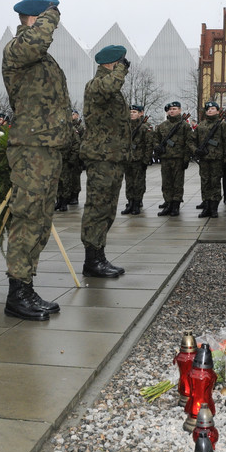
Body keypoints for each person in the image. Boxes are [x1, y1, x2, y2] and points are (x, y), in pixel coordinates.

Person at [1, 0, 70, 320]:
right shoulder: (18, 50)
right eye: (46, 16)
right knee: (28, 218)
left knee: (41, 221)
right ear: (34, 17)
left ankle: (26, 287)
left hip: (47, 148)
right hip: (29, 149)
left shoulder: (42, 59)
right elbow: (38, 39)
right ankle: (17, 293)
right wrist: (51, 14)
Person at [80, 44, 130, 277]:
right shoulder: (97, 85)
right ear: (112, 64)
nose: (125, 69)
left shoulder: (110, 87)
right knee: (97, 208)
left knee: (108, 209)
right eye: (121, 63)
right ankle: (92, 260)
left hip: (112, 157)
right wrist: (119, 71)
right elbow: (110, 86)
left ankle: (99, 256)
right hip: (100, 158)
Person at [154, 101, 194, 216]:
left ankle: (176, 205)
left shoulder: (184, 126)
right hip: (166, 158)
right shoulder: (162, 126)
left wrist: (186, 158)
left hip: (178, 159)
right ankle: (168, 204)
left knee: (177, 183)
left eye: (175, 109)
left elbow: (188, 142)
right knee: (166, 183)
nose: (172, 111)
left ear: (180, 110)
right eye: (170, 109)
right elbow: (155, 139)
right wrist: (157, 147)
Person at [193, 101, 226, 218]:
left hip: (217, 159)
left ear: (218, 111)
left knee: (215, 183)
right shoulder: (201, 125)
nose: (210, 110)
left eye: (213, 109)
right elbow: (192, 140)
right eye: (208, 109)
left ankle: (214, 208)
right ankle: (206, 207)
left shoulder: (222, 125)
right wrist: (196, 150)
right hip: (204, 159)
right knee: (205, 183)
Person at [121, 104, 152, 215]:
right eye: (130, 112)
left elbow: (149, 145)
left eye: (134, 112)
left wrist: (146, 160)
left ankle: (137, 203)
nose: (132, 114)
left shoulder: (144, 128)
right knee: (129, 183)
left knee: (138, 183)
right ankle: (130, 202)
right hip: (128, 159)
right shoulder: (125, 127)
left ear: (140, 114)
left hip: (139, 160)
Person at [55, 112, 80, 212]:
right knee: (57, 183)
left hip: (66, 160)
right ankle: (59, 201)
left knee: (66, 182)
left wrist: (72, 160)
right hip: (57, 160)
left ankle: (64, 202)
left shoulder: (72, 131)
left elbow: (76, 145)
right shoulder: (56, 131)